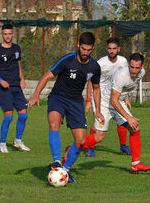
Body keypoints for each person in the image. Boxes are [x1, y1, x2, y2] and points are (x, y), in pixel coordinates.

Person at [28, 32, 104, 183]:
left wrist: (98, 110)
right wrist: (36, 95)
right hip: (58, 97)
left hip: (76, 102)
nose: (85, 53)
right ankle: (56, 161)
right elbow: (47, 76)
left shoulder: (94, 66)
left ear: (92, 48)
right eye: (83, 49)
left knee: (81, 142)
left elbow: (96, 88)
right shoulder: (67, 60)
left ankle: (65, 171)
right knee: (54, 123)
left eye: (89, 50)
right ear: (78, 45)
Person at [80, 53, 150, 173]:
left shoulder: (142, 73)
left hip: (118, 101)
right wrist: (129, 117)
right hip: (105, 103)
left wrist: (126, 99)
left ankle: (136, 163)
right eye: (132, 67)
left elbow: (123, 92)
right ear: (129, 64)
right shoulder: (121, 75)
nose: (134, 71)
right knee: (99, 136)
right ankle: (72, 148)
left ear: (142, 67)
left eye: (137, 68)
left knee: (135, 129)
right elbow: (113, 100)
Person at [84, 37, 132, 157]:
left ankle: (123, 146)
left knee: (122, 121)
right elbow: (90, 81)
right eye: (109, 48)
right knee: (99, 122)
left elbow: (125, 81)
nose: (112, 51)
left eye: (114, 48)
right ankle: (90, 147)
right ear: (107, 49)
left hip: (115, 96)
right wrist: (88, 101)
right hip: (100, 96)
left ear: (118, 49)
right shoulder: (100, 63)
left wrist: (127, 98)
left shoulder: (123, 61)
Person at [0, 24, 30, 153]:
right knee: (9, 117)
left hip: (16, 86)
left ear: (13, 34)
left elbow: (18, 64)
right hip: (4, 88)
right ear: (2, 34)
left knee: (23, 115)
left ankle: (18, 141)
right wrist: (0, 80)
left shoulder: (17, 48)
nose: (8, 36)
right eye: (5, 34)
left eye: (10, 33)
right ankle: (2, 143)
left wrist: (22, 78)